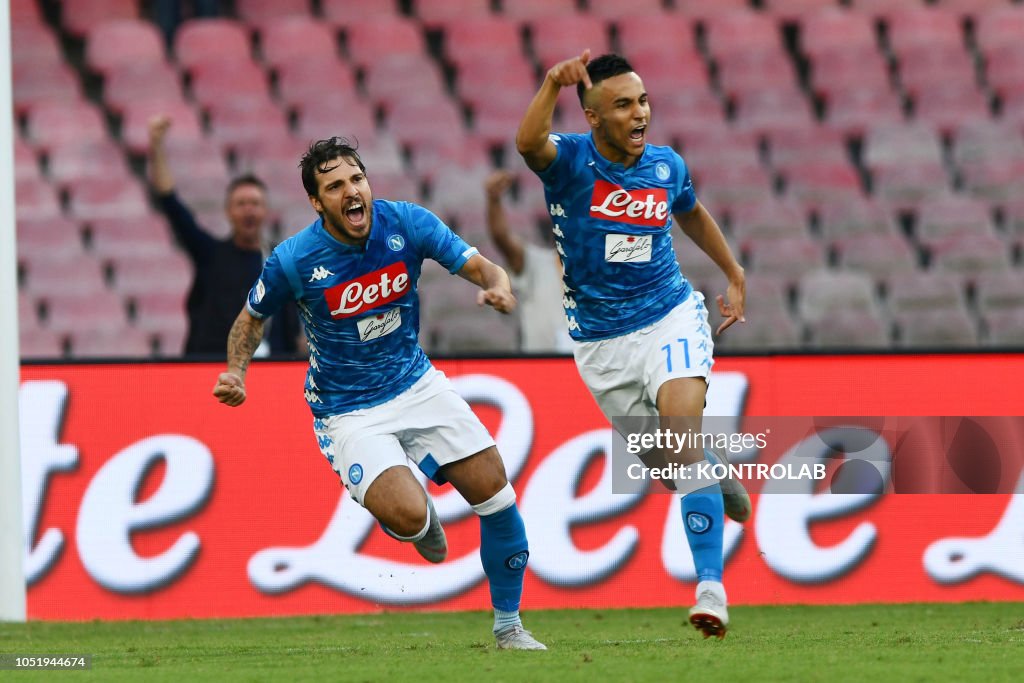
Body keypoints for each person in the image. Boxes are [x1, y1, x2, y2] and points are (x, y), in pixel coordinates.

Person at [212, 137, 546, 651]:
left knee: (496, 493)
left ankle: (509, 627)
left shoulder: (407, 223)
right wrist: (237, 372)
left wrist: (498, 285)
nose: (351, 192)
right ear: (317, 203)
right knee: (410, 515)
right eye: (334, 186)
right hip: (347, 411)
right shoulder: (295, 259)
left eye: (356, 179)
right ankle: (415, 522)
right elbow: (252, 317)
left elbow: (480, 265)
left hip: (416, 383)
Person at [516, 51, 749, 639]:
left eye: (643, 101)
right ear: (593, 116)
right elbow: (527, 142)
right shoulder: (569, 162)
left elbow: (691, 215)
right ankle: (714, 473)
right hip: (601, 345)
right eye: (623, 104)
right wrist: (550, 83)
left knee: (679, 436)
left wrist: (733, 273)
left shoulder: (666, 166)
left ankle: (711, 589)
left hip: (670, 316)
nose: (640, 112)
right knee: (674, 467)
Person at [147, 114, 300, 357]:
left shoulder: (281, 263)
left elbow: (296, 328)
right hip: (213, 371)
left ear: (266, 211)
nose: (248, 209)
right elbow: (170, 203)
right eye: (241, 203)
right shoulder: (210, 254)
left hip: (272, 376)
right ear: (229, 211)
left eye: (255, 203)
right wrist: (156, 145)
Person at [484, 170, 573, 353]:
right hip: (537, 370)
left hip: (584, 370)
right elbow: (502, 238)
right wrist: (494, 200)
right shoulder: (534, 263)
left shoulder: (598, 272)